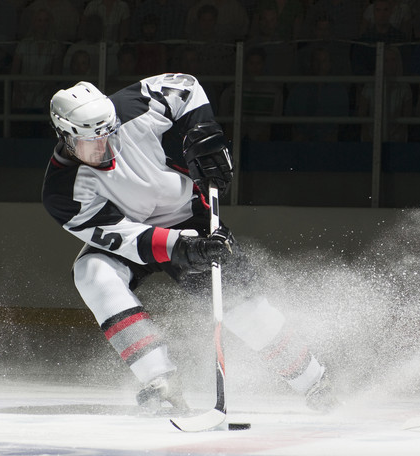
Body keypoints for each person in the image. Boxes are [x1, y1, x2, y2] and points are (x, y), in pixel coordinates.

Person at [41, 74, 336, 414]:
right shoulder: (61, 192)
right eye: (91, 141)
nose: (104, 146)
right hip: (137, 234)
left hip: (190, 216)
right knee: (91, 272)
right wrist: (183, 248)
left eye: (108, 134)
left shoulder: (131, 106)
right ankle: (160, 381)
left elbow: (186, 85)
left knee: (244, 310)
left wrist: (203, 134)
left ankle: (315, 382)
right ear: (64, 135)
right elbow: (128, 238)